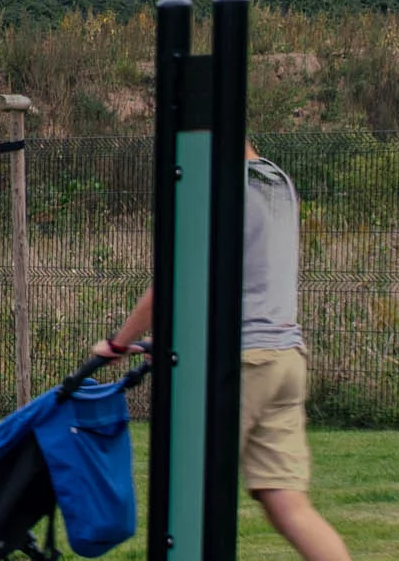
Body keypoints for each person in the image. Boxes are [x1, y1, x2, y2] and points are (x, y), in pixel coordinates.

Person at [95, 144, 350, 561]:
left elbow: (171, 281)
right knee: (288, 504)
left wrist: (118, 342)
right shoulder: (276, 180)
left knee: (188, 496)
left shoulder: (217, 191)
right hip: (285, 357)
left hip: (244, 361)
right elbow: (242, 279)